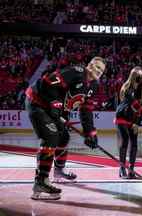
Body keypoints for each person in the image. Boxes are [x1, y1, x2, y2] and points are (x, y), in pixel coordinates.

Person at [25, 57, 106, 200]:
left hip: (55, 109)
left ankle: (59, 171)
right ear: (89, 65)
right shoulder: (76, 72)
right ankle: (40, 181)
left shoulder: (93, 86)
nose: (98, 71)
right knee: (51, 137)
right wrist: (55, 103)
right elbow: (49, 81)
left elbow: (86, 110)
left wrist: (90, 133)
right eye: (96, 66)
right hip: (38, 102)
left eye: (101, 70)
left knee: (64, 137)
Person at [114, 66, 142, 179]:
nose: (139, 79)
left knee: (134, 144)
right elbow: (135, 104)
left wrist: (137, 123)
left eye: (141, 77)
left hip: (133, 119)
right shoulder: (127, 88)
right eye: (138, 76)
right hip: (122, 116)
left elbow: (139, 106)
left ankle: (131, 169)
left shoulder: (140, 90)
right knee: (125, 140)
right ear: (133, 76)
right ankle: (122, 168)